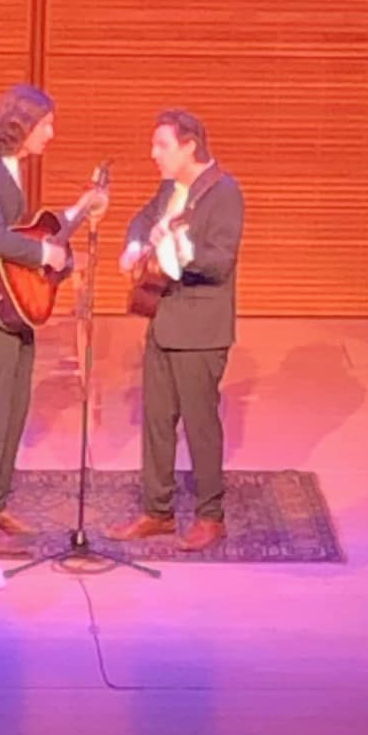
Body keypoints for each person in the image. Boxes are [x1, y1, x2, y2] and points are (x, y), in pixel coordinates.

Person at [0, 83, 94, 557]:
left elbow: (24, 235)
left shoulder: (7, 170)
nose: (51, 134)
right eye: (46, 124)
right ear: (22, 125)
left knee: (13, 411)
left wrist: (77, 214)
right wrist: (43, 252)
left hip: (12, 308)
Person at [109, 107, 244, 554]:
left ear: (189, 146)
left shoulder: (224, 193)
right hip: (164, 320)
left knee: (200, 424)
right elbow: (143, 218)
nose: (154, 154)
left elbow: (219, 261)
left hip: (201, 330)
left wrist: (178, 250)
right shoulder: (169, 189)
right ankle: (157, 511)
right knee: (156, 421)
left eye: (162, 145)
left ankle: (210, 516)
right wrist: (135, 246)